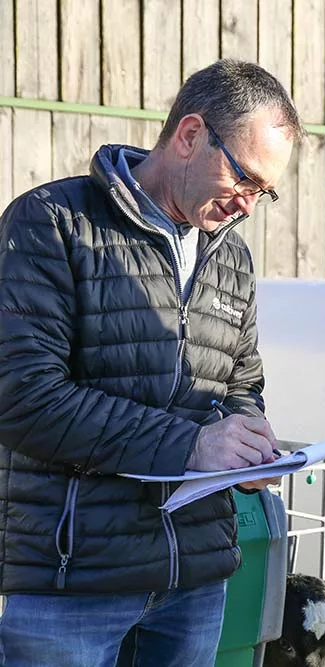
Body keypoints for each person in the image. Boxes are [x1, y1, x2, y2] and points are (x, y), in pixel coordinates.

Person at [0, 59, 302, 666]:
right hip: (73, 580)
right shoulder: (54, 225)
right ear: (190, 135)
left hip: (193, 576)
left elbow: (240, 382)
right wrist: (192, 448)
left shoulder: (230, 257)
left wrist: (246, 441)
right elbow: (23, 397)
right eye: (244, 178)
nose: (247, 205)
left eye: (263, 192)